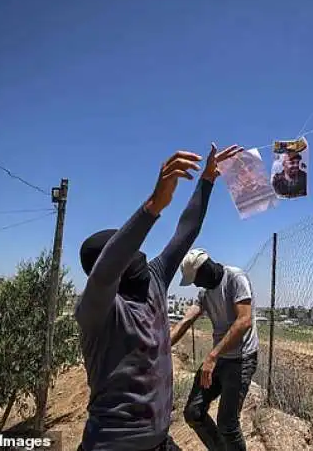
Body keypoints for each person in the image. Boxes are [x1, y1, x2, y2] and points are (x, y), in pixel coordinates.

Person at [74, 143, 243, 451]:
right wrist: (152, 206)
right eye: (126, 248)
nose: (138, 251)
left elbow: (184, 233)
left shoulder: (153, 280)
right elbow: (104, 273)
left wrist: (206, 181)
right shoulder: (97, 309)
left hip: (160, 441)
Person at [169, 249, 259, 451]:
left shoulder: (235, 278)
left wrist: (212, 356)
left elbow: (244, 321)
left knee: (227, 424)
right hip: (220, 359)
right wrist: (162, 348)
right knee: (193, 412)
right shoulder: (205, 294)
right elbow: (186, 320)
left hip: (241, 359)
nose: (195, 284)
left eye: (195, 279)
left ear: (205, 269)